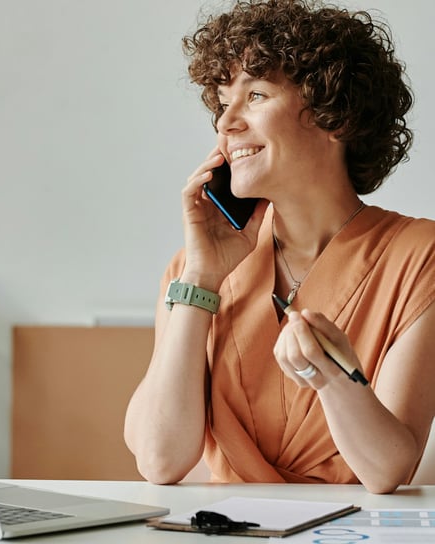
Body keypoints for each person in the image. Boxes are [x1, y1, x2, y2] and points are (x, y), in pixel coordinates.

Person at [124, 0, 435, 494]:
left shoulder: (420, 256)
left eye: (257, 95)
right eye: (223, 101)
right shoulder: (191, 271)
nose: (227, 122)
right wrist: (202, 280)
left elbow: (387, 470)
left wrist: (330, 377)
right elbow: (160, 461)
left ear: (337, 116)